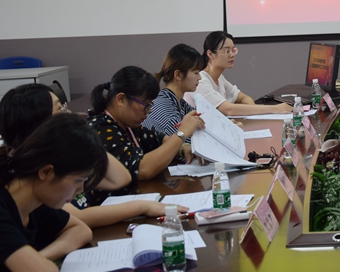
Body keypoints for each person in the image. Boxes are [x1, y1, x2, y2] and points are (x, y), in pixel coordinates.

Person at [0, 84, 186, 229]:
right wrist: (142, 206)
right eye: (60, 109)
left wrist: (84, 136)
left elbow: (120, 178)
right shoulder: (36, 172)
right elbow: (76, 217)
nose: (68, 113)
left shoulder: (63, 156)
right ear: (40, 125)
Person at [0, 114, 107, 272]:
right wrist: (36, 268)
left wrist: (39, 259)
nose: (80, 189)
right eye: (78, 180)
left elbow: (81, 230)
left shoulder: (35, 199)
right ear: (46, 172)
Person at [87, 66, 205, 205]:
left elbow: (159, 138)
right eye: (146, 105)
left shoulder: (127, 125)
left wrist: (182, 148)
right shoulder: (101, 129)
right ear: (121, 99)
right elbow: (142, 169)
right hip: (107, 208)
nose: (149, 111)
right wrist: (182, 133)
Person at [192, 31, 291, 116]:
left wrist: (254, 112)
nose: (232, 55)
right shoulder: (201, 81)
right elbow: (229, 109)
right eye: (226, 51)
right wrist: (274, 109)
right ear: (210, 54)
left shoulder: (219, 78)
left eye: (233, 50)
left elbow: (245, 98)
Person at [143, 44, 204, 135]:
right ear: (178, 75)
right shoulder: (166, 111)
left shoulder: (179, 103)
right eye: (196, 73)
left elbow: (202, 119)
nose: (200, 77)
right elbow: (184, 140)